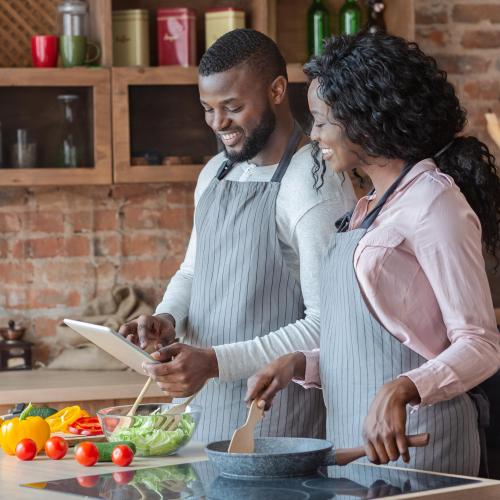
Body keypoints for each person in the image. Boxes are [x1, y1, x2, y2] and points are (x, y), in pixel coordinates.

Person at [246, 31, 500, 476]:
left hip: (421, 448)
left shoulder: (433, 203)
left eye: (323, 120)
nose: (316, 135)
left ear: (364, 119)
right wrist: (300, 363)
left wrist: (406, 387)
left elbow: (481, 344)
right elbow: (375, 350)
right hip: (354, 446)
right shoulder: (366, 209)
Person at [119, 29, 356, 442]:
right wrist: (166, 317)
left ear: (278, 89)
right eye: (208, 109)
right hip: (199, 413)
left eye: (233, 107)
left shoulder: (312, 183)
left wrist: (213, 362)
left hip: (274, 422)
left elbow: (330, 323)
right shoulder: (216, 172)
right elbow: (194, 272)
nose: (218, 123)